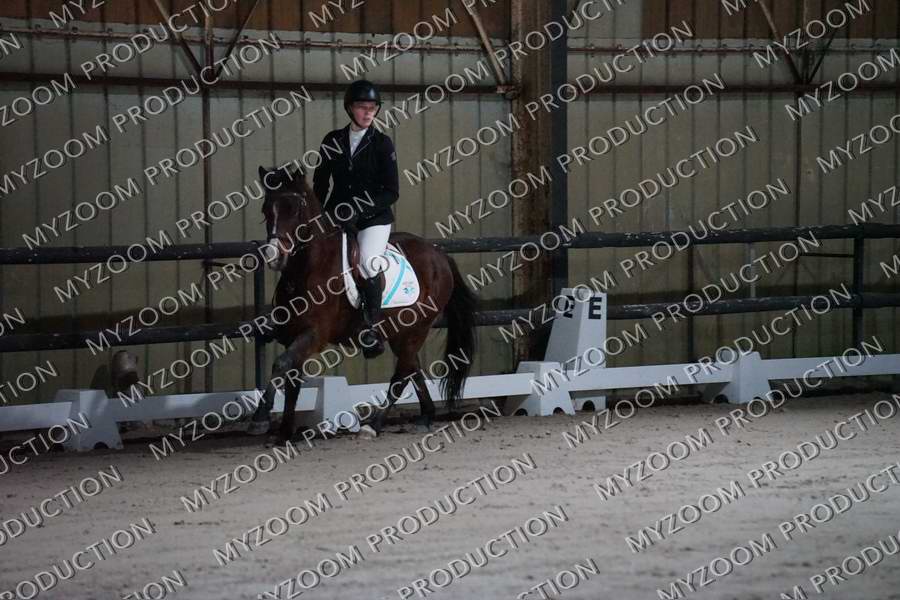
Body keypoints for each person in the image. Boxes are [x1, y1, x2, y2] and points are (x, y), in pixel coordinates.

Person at [313, 79, 400, 358]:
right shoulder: (332, 140)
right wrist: (318, 216)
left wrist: (359, 210)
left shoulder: (382, 144)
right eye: (362, 107)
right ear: (350, 108)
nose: (368, 112)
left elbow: (391, 191)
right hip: (336, 217)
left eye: (372, 108)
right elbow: (320, 183)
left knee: (368, 263)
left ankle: (371, 328)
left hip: (372, 220)